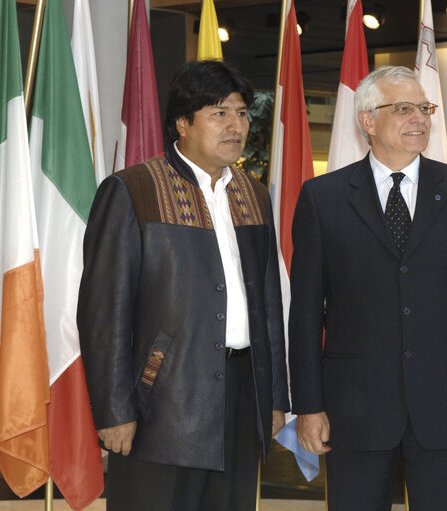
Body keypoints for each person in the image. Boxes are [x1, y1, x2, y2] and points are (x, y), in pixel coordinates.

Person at [289, 65, 447, 510]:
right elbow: (306, 314)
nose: (420, 119)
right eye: (404, 108)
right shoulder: (323, 197)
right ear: (368, 121)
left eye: (424, 109)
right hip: (354, 408)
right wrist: (308, 407)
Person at [77, 60, 289, 511]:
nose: (236, 126)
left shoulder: (253, 195)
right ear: (182, 123)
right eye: (219, 113)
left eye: (242, 113)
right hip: (162, 402)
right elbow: (103, 313)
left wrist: (273, 397)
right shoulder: (133, 190)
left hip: (241, 395)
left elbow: (268, 303)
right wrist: (115, 411)